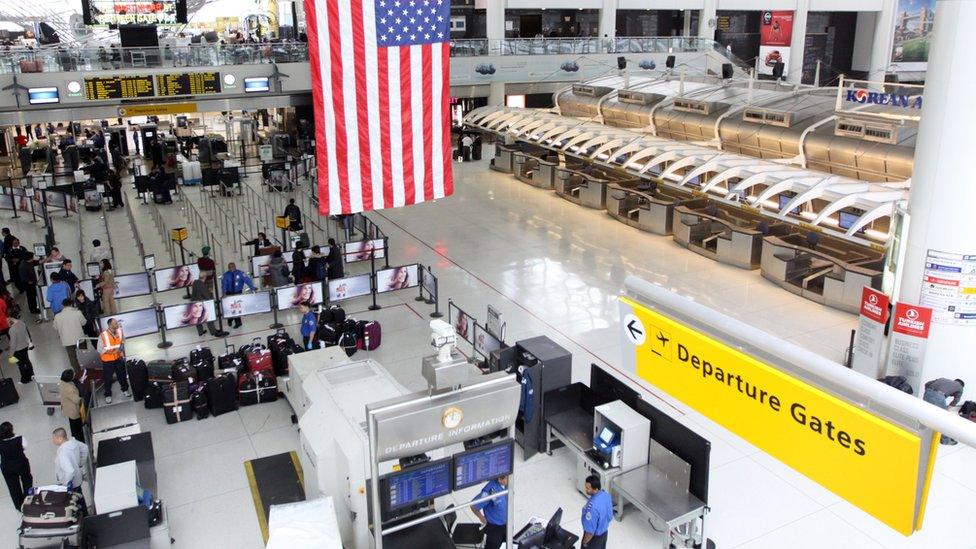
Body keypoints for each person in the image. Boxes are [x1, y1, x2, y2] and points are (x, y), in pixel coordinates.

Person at [470, 475, 508, 549]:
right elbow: (473, 505)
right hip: (495, 529)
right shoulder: (488, 491)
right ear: (500, 479)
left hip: (506, 524)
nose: (509, 479)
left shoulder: (507, 485)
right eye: (507, 478)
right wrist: (482, 519)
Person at [923, 378, 966, 445]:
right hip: (938, 396)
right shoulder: (960, 387)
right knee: (944, 419)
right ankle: (945, 440)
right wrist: (948, 408)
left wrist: (929, 393)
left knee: (929, 415)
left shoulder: (943, 379)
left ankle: (926, 433)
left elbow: (927, 384)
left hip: (927, 394)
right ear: (961, 385)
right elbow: (956, 400)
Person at [0, 422, 31, 510]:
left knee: (13, 486)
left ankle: (19, 506)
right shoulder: (20, 438)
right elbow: (25, 447)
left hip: (7, 466)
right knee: (27, 479)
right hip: (21, 463)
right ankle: (28, 500)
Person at [97, 317, 129, 404]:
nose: (117, 325)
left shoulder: (119, 331)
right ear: (110, 325)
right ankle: (108, 395)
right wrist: (112, 351)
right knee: (108, 378)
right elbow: (99, 349)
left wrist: (120, 349)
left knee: (122, 375)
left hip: (118, 358)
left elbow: (123, 341)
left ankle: (125, 390)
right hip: (108, 361)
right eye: (115, 323)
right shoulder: (103, 335)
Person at [52, 299, 86, 377]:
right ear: (72, 304)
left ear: (63, 305)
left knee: (73, 359)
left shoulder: (57, 316)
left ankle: (78, 374)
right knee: (84, 356)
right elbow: (84, 322)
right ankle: (86, 371)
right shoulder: (77, 313)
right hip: (79, 339)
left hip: (67, 340)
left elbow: (55, 327)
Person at [190, 271, 227, 337]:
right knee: (208, 317)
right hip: (202, 304)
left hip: (194, 302)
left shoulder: (195, 282)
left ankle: (200, 332)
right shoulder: (203, 285)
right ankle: (213, 331)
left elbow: (198, 291)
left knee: (197, 318)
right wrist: (210, 293)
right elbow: (207, 297)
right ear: (205, 277)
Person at [52, 428, 88, 493]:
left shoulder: (63, 452)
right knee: (79, 495)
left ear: (60, 438)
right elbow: (85, 448)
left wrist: (65, 485)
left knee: (74, 500)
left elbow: (70, 471)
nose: (53, 440)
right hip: (78, 478)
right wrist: (80, 463)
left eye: (54, 438)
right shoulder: (73, 442)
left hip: (71, 485)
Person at [581, 475, 612, 548]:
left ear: (595, 489)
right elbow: (610, 516)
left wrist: (585, 543)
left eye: (588, 488)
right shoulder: (606, 496)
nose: (585, 489)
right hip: (604, 534)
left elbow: (590, 532)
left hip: (593, 540)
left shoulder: (592, 509)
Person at [220, 263, 256, 329]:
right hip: (229, 293)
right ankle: (230, 319)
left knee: (237, 307)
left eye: (233, 267)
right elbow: (224, 285)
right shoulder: (225, 275)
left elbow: (247, 280)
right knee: (230, 307)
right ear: (228, 268)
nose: (231, 268)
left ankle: (238, 323)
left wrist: (252, 287)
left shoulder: (241, 273)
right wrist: (224, 293)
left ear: (235, 267)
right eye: (230, 267)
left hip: (238, 292)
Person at [59, 370, 84, 443]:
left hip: (67, 407)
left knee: (72, 422)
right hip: (73, 410)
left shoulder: (62, 383)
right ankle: (79, 440)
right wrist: (82, 399)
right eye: (73, 374)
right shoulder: (70, 389)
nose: (75, 373)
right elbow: (76, 400)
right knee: (76, 426)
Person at [8, 317, 33, 383]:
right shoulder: (22, 323)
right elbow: (26, 334)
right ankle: (32, 375)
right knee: (27, 361)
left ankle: (24, 380)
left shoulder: (12, 330)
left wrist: (11, 354)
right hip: (25, 346)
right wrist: (29, 342)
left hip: (17, 350)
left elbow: (13, 344)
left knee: (21, 365)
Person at [18, 253, 40, 321]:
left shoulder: (29, 262)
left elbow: (38, 262)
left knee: (33, 296)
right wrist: (29, 281)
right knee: (31, 297)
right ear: (29, 258)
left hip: (32, 283)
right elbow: (23, 278)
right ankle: (33, 309)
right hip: (29, 285)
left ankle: (34, 307)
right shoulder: (23, 266)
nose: (33, 258)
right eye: (32, 257)